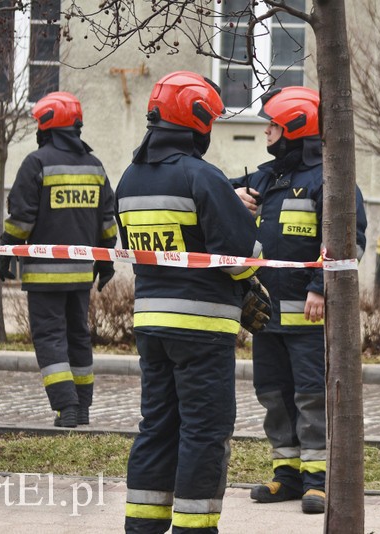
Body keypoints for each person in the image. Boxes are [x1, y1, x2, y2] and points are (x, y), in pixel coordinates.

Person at [116, 71, 261, 534]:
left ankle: (143, 525)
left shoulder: (130, 179)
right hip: (202, 330)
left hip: (151, 325)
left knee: (157, 427)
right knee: (204, 430)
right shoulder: (202, 175)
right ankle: (195, 528)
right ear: (197, 121)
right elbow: (240, 259)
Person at [231, 86, 368, 514]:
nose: (266, 132)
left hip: (307, 315)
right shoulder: (267, 177)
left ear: (292, 128)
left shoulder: (328, 180)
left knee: (311, 396)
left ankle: (318, 479)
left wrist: (317, 287)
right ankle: (286, 474)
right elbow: (216, 187)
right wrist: (235, 198)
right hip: (267, 316)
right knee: (273, 394)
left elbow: (348, 238)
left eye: (272, 125)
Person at [0, 91, 117, 429]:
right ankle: (83, 407)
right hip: (81, 275)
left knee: (50, 338)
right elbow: (108, 219)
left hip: (45, 277)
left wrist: (6, 249)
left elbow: (21, 219)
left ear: (46, 125)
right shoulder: (95, 167)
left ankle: (66, 408)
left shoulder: (37, 163)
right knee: (78, 336)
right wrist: (106, 261)